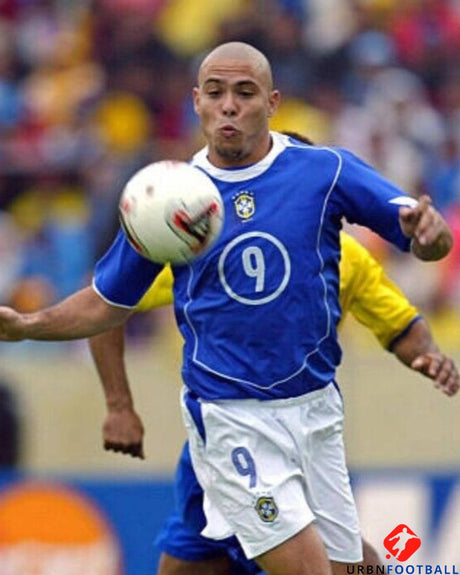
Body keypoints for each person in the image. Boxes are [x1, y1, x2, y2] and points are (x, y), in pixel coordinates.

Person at [0, 42, 453, 575]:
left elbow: (424, 237)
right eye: (215, 93)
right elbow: (106, 304)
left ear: (272, 102)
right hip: (232, 419)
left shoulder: (324, 172)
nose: (229, 106)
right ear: (197, 101)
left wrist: (431, 237)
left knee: (348, 566)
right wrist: (29, 325)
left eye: (245, 92)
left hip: (316, 413)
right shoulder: (170, 200)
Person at [90, 231, 459, 575]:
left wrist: (428, 354)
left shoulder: (347, 257)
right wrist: (119, 405)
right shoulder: (219, 245)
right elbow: (105, 304)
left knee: (345, 561)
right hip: (227, 438)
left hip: (303, 442)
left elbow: (400, 325)